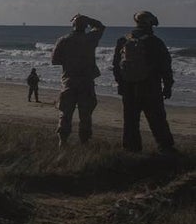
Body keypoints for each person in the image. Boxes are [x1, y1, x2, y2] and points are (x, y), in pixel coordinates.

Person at [112, 11, 175, 153]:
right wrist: (168, 85)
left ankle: (131, 149)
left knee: (130, 121)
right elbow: (165, 66)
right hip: (150, 86)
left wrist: (121, 84)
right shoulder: (155, 42)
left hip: (128, 87)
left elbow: (116, 66)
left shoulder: (123, 40)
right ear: (149, 24)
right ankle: (165, 147)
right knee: (157, 119)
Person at [50, 14, 105, 146]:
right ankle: (84, 142)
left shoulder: (63, 40)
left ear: (72, 26)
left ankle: (62, 141)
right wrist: (87, 19)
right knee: (85, 115)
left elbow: (54, 60)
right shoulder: (90, 39)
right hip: (86, 82)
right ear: (85, 26)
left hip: (69, 81)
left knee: (65, 113)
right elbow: (100, 26)